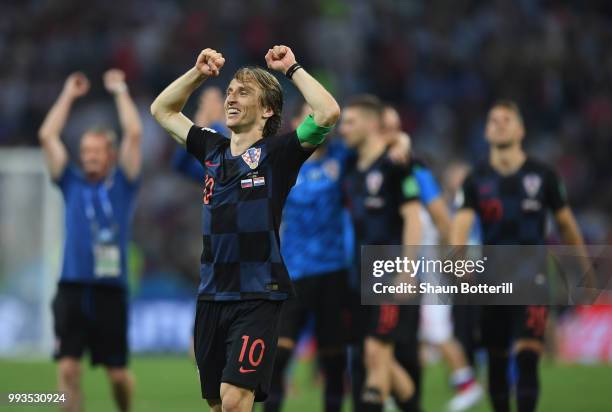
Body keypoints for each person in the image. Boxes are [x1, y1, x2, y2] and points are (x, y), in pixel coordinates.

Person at [150, 45, 340, 412]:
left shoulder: (279, 154)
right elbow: (162, 109)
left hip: (258, 295)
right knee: (219, 404)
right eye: (230, 90)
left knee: (236, 401)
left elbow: (328, 112)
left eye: (244, 91)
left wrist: (292, 68)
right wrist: (198, 74)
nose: (231, 97)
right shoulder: (211, 147)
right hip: (211, 294)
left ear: (267, 109)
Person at [450, 100, 588, 412]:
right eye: (493, 120)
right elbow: (460, 225)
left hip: (532, 276)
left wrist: (584, 270)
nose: (499, 124)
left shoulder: (543, 176)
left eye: (506, 119)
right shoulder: (475, 179)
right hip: (491, 278)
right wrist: (458, 263)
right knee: (496, 360)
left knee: (528, 355)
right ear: (485, 131)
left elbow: (567, 225)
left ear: (521, 129)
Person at [39, 70, 142, 412]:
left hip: (109, 290)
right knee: (68, 368)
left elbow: (134, 133)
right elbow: (47, 135)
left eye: (95, 151)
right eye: (85, 151)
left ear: (110, 154)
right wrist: (68, 94)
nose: (88, 157)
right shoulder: (71, 183)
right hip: (71, 287)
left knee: (117, 376)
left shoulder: (123, 185)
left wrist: (119, 90)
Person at [382, 106, 484, 412]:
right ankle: (391, 391)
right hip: (391, 267)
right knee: (401, 336)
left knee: (435, 331)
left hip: (423, 270)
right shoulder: (369, 168)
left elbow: (441, 218)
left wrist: (456, 257)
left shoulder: (416, 171)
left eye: (392, 126)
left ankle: (465, 383)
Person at [263, 102, 350, 412]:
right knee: (280, 354)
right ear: (297, 123)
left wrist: (401, 143)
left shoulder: (343, 158)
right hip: (293, 272)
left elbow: (379, 145)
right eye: (308, 115)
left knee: (333, 359)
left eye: (320, 114)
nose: (316, 120)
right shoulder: (283, 161)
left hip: (333, 271)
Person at [340, 95, 419, 412]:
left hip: (389, 273)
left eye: (350, 122)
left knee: (376, 353)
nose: (343, 129)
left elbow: (413, 217)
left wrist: (407, 271)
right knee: (374, 358)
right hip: (358, 276)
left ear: (372, 124)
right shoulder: (350, 167)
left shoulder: (395, 166)